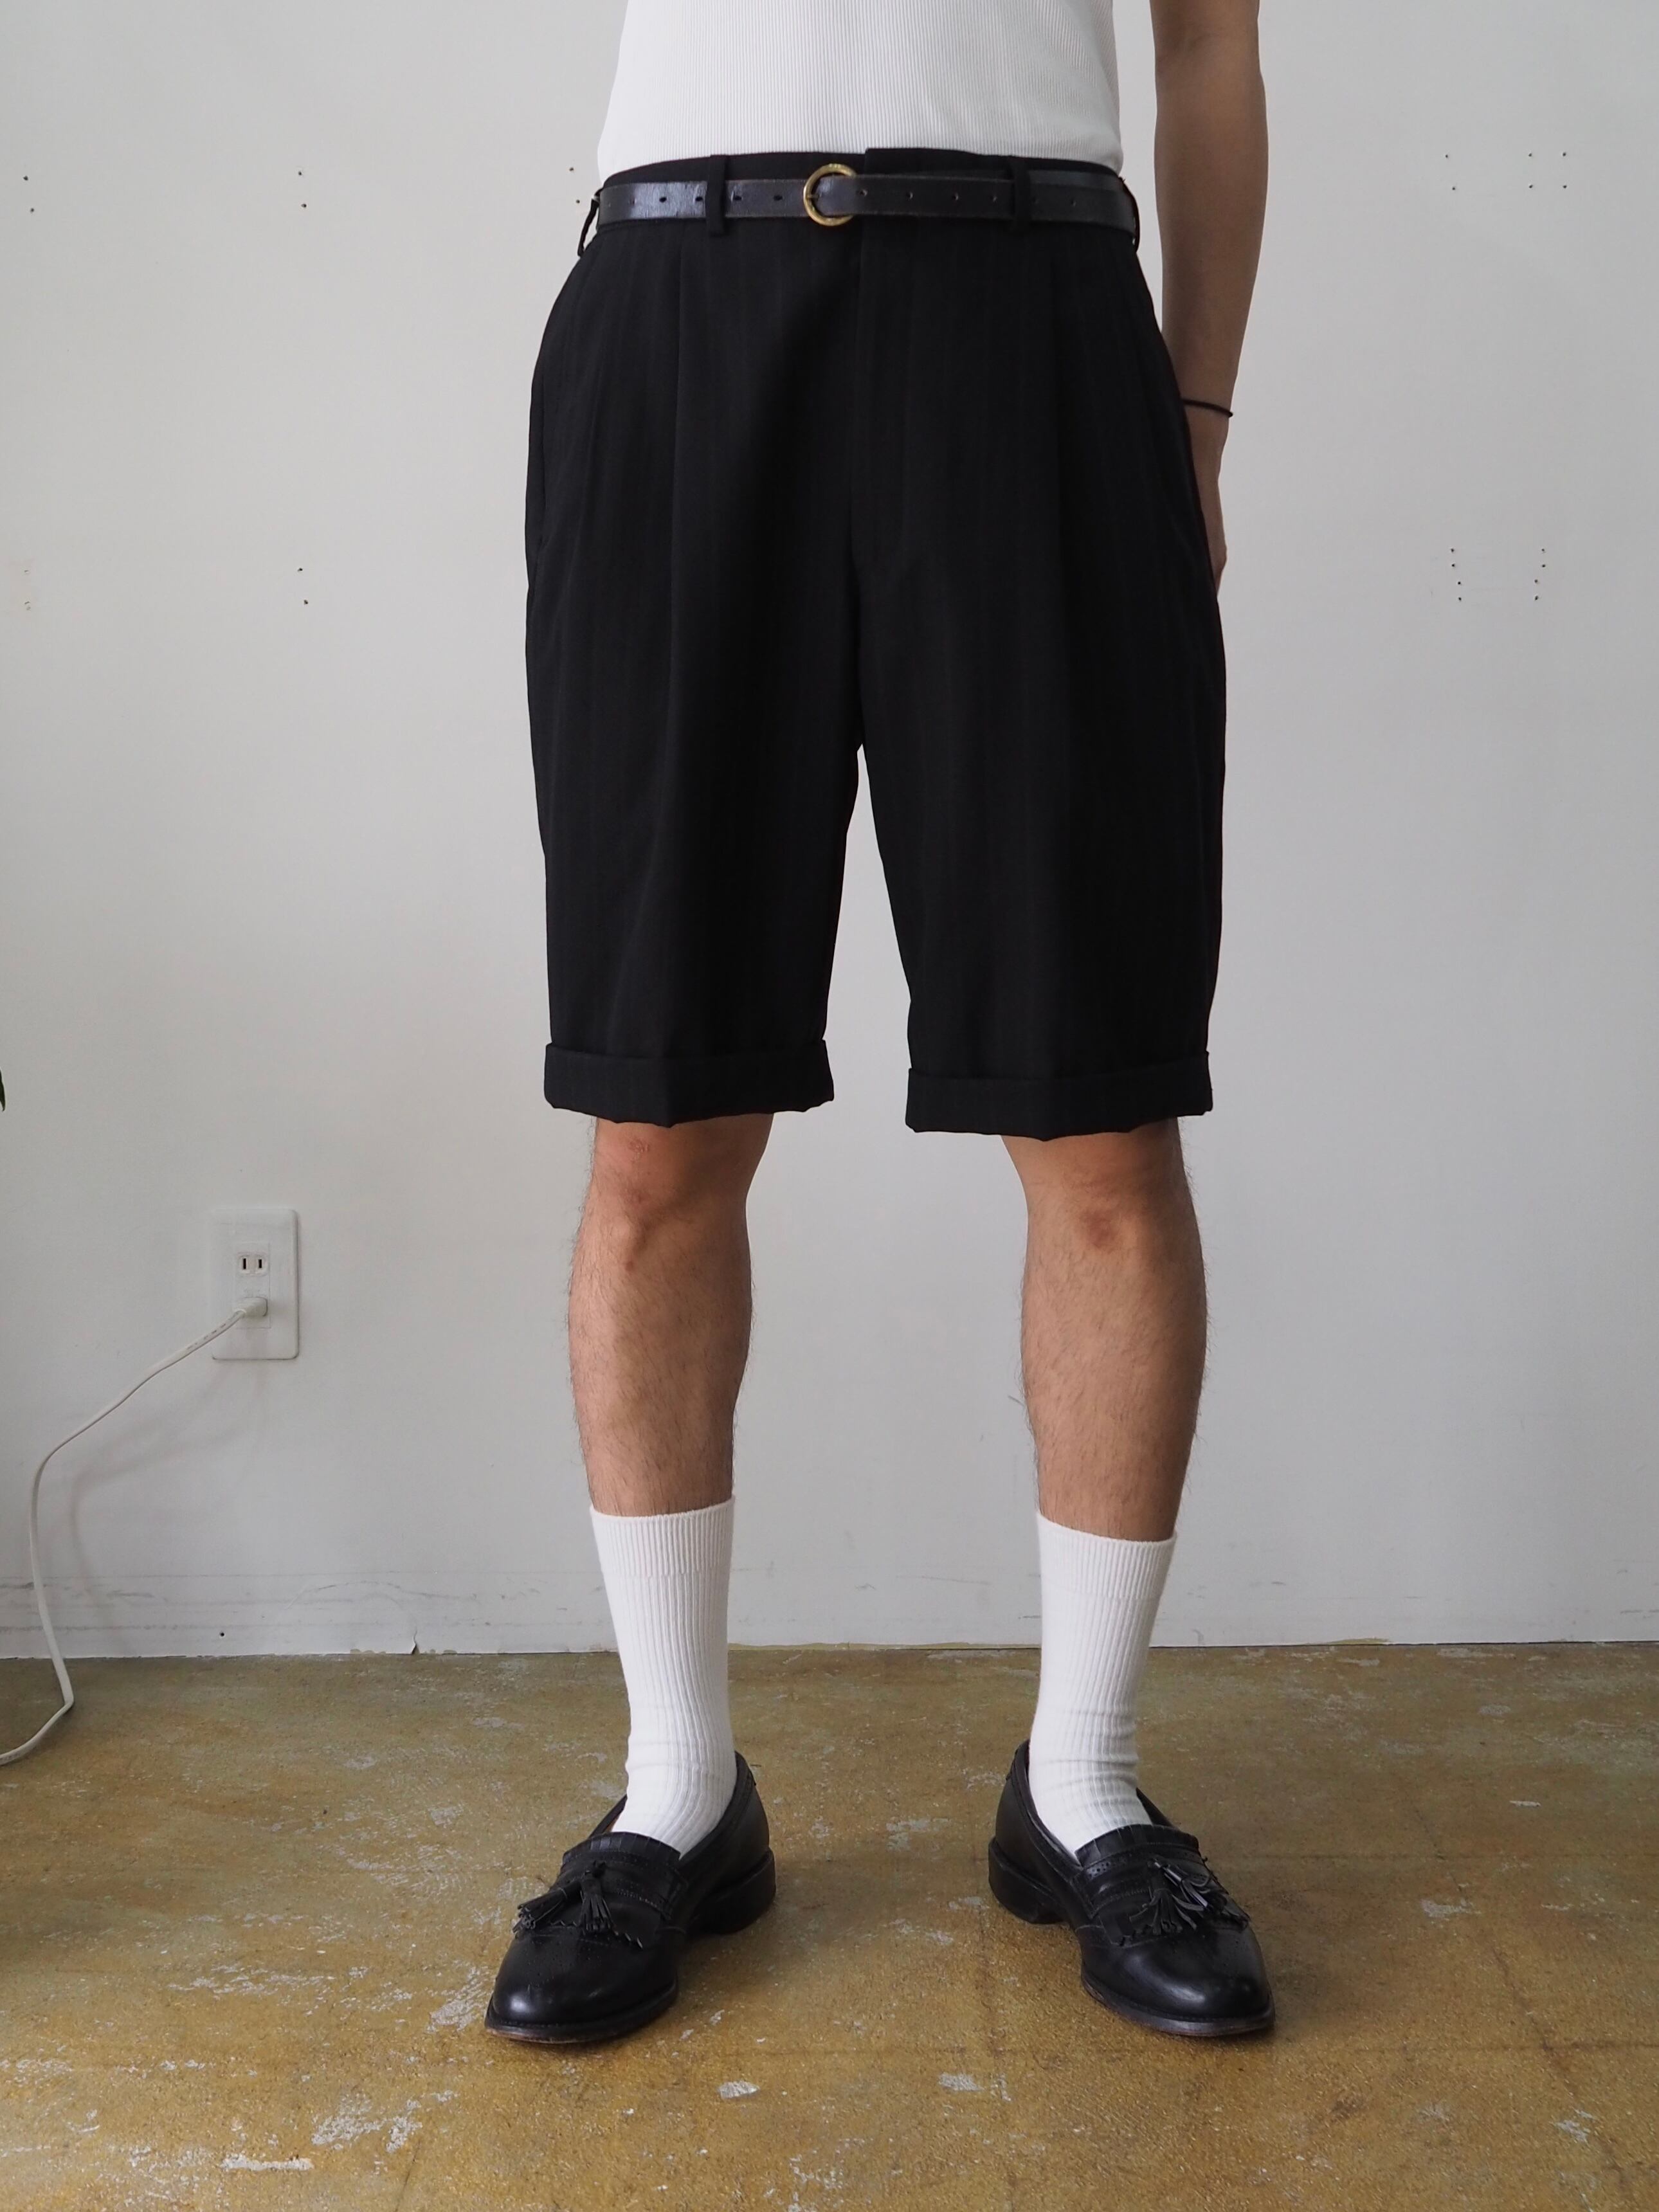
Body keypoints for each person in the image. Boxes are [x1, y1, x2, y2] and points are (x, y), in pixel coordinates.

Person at [487, 0, 1272, 2045]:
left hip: (1035, 329)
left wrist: (1191, 417)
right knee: (658, 1117)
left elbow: (1208, 49)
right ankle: (676, 1793)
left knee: (1096, 1114)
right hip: (676, 312)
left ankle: (1081, 1784)